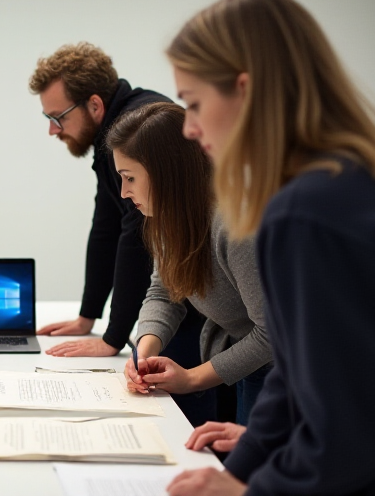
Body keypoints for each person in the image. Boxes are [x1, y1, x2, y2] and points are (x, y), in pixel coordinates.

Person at [162, 0, 375, 495]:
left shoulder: (310, 211)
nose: (189, 128)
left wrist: (250, 492)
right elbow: (296, 369)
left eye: (194, 103)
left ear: (245, 92)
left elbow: (349, 435)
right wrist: (242, 466)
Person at [29, 43, 213, 425]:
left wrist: (112, 338)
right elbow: (106, 225)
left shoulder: (139, 129)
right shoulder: (112, 136)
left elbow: (134, 237)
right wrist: (88, 315)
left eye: (57, 117)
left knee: (183, 414)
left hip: (208, 302)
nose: (52, 130)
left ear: (95, 105)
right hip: (182, 296)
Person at [111, 103, 272, 426]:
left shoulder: (233, 227)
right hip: (240, 357)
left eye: (129, 178)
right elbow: (163, 292)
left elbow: (272, 334)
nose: (125, 192)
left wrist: (191, 379)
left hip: (282, 373)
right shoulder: (170, 220)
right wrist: (144, 351)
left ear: (165, 173)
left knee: (251, 472)